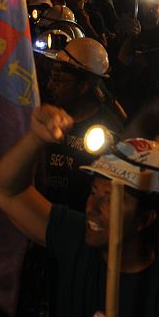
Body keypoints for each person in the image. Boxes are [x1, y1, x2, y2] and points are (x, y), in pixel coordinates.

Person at [0, 104, 159, 317]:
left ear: (145, 219)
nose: (92, 207)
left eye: (110, 199)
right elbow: (6, 191)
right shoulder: (78, 237)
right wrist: (35, 139)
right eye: (94, 192)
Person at [38, 37, 123, 212]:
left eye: (59, 80)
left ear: (84, 85)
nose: (50, 85)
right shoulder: (47, 115)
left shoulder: (108, 129)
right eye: (51, 77)